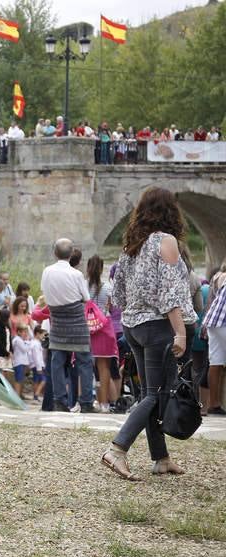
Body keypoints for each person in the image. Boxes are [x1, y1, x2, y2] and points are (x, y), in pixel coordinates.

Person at [104, 188, 197, 480]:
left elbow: (116, 294)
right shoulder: (166, 242)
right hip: (159, 327)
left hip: (134, 326)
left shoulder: (132, 245)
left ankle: (160, 457)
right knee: (157, 394)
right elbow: (172, 294)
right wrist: (180, 333)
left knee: (150, 393)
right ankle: (117, 449)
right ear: (171, 212)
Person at [40, 238, 95, 412]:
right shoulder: (76, 274)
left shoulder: (47, 272)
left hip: (57, 318)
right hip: (76, 319)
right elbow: (86, 298)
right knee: (84, 362)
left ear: (55, 253)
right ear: (71, 254)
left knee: (57, 361)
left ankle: (59, 401)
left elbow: (45, 294)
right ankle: (86, 402)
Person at [86, 255, 119, 412]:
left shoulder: (83, 286)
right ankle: (104, 404)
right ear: (101, 269)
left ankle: (84, 400)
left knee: (83, 364)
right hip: (104, 327)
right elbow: (112, 307)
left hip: (87, 327)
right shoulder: (108, 287)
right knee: (104, 367)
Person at [202, 270, 226, 415]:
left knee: (215, 362)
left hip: (213, 321)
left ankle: (214, 404)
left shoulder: (220, 276)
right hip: (224, 322)